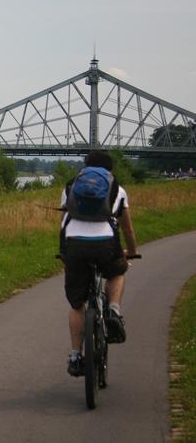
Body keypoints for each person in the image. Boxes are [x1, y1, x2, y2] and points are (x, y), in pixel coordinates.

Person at [60, 151, 138, 377]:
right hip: (105, 243)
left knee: (77, 305)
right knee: (117, 271)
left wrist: (65, 253)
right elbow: (128, 229)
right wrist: (130, 252)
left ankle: (75, 356)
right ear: (110, 169)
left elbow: (62, 225)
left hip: (74, 244)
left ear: (84, 167)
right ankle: (113, 312)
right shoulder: (117, 188)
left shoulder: (71, 186)